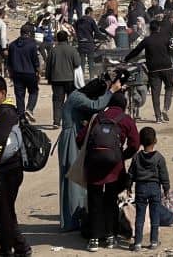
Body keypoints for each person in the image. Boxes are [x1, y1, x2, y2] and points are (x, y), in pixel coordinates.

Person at [58, 75, 122, 232]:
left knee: (78, 178)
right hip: (70, 138)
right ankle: (71, 220)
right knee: (72, 178)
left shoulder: (77, 95)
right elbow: (96, 105)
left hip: (74, 135)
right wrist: (111, 91)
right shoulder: (77, 97)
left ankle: (78, 216)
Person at [78, 92, 139, 252]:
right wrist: (122, 156)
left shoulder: (96, 117)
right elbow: (135, 144)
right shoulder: (126, 119)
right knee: (111, 201)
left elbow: (80, 139)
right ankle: (111, 236)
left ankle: (94, 239)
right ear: (124, 106)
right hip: (114, 168)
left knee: (94, 201)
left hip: (94, 166)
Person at [0, 76, 31, 257]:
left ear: (2, 93)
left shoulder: (6, 113)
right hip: (5, 169)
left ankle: (13, 249)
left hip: (7, 170)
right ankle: (14, 248)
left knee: (4, 212)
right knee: (3, 211)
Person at [127, 127, 170, 251]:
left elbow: (131, 174)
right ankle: (154, 242)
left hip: (141, 188)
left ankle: (137, 243)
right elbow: (164, 175)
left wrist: (128, 187)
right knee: (154, 215)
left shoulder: (136, 157)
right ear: (155, 140)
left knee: (140, 216)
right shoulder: (159, 158)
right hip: (154, 188)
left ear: (140, 141)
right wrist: (166, 189)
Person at [125, 19, 173, 123]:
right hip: (166, 67)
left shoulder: (147, 40)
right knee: (169, 87)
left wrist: (126, 59)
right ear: (159, 28)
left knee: (155, 93)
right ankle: (165, 108)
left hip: (153, 69)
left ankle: (158, 117)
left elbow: (136, 51)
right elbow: (171, 50)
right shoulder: (166, 38)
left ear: (150, 29)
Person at [47, 30, 83, 128]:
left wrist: (48, 78)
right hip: (70, 79)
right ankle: (70, 120)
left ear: (57, 39)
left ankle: (56, 122)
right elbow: (77, 63)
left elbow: (49, 66)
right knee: (71, 100)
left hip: (56, 79)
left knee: (57, 101)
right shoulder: (72, 50)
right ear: (67, 38)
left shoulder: (53, 50)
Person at [7, 23, 40, 123]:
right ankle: (29, 109)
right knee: (33, 92)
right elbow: (35, 61)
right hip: (30, 73)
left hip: (17, 74)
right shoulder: (32, 44)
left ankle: (21, 117)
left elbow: (9, 62)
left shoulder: (12, 45)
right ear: (29, 33)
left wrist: (11, 74)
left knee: (19, 96)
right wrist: (38, 71)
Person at [75, 7, 100, 78]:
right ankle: (91, 77)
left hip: (81, 43)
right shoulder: (91, 20)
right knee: (91, 61)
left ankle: (81, 77)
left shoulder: (79, 20)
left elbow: (76, 30)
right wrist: (102, 37)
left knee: (82, 62)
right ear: (90, 12)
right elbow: (97, 31)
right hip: (89, 43)